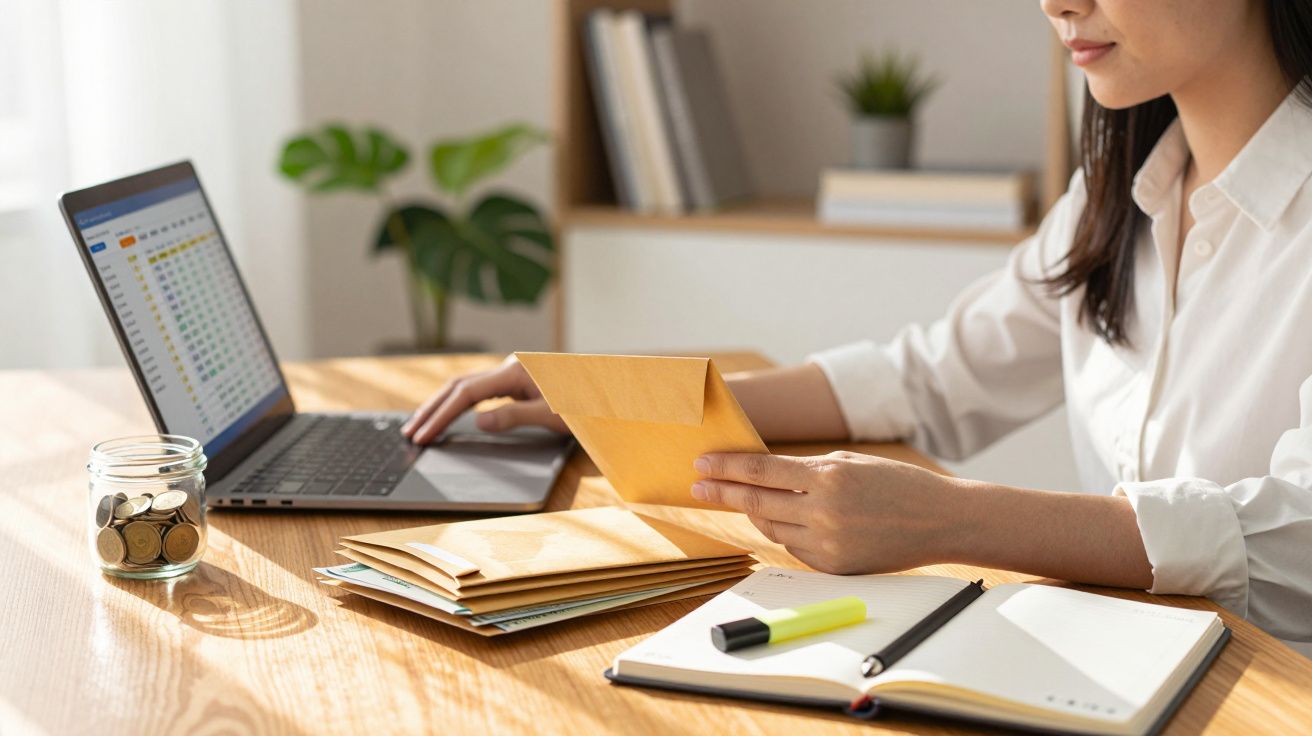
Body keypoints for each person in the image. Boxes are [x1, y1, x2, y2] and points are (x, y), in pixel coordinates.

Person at [402, 0, 1312, 655]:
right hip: (1137, 658)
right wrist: (612, 401)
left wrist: (950, 518)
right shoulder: (1120, 196)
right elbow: (931, 376)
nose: (1057, 4)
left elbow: (1293, 538)